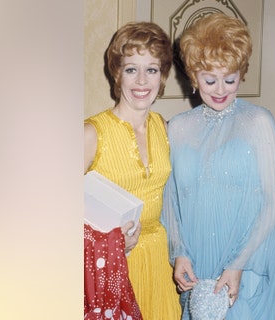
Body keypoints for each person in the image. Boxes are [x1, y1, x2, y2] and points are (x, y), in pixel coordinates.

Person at [162, 13, 275, 319]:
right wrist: (179, 251)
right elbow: (171, 199)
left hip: (247, 265)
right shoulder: (178, 127)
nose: (220, 89)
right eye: (210, 79)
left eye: (229, 78)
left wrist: (238, 263)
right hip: (197, 265)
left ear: (241, 74)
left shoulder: (258, 122)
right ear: (193, 76)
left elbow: (273, 202)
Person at [84, 21, 181, 319]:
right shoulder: (91, 133)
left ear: (162, 75)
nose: (141, 81)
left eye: (151, 69)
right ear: (117, 73)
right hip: (114, 266)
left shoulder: (163, 127)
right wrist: (106, 243)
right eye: (131, 69)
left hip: (159, 262)